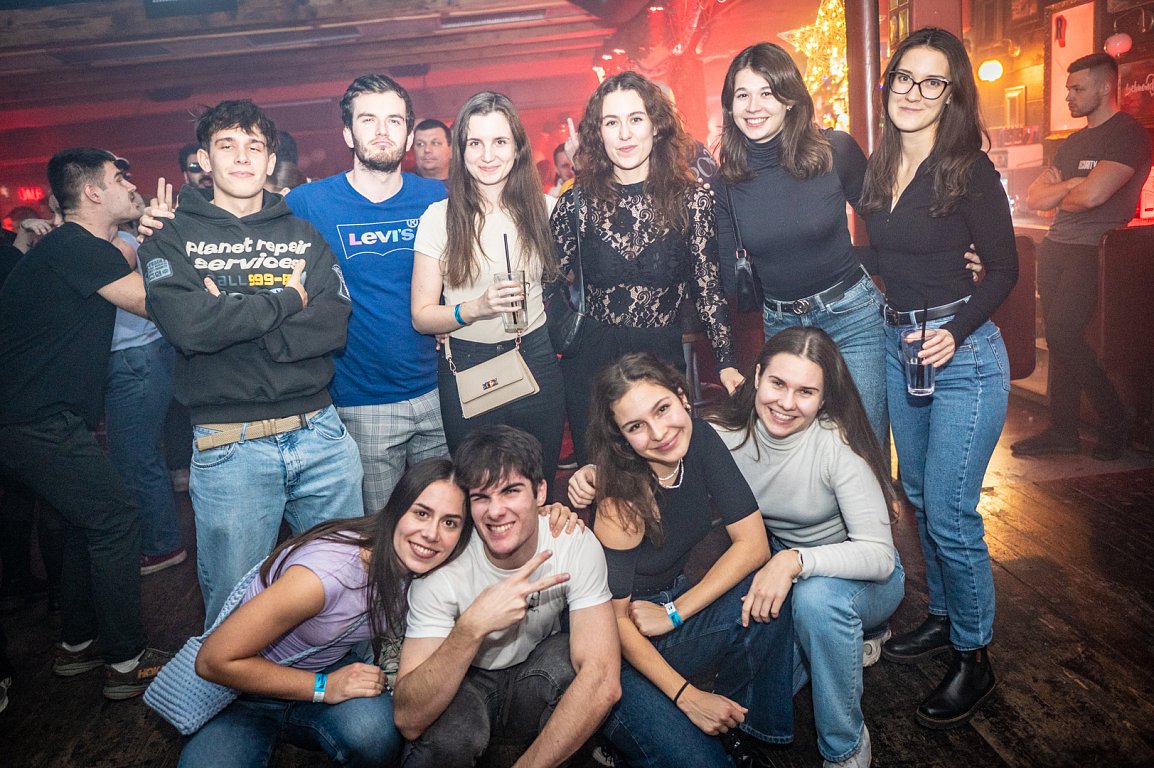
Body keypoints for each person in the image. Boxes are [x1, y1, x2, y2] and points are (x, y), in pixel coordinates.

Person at [140, 99, 363, 625]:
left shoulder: (304, 235)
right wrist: (287, 302)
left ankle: (345, 679)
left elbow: (333, 323)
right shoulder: (169, 236)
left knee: (346, 593)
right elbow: (189, 327)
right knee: (235, 610)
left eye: (254, 147)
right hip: (229, 445)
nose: (242, 158)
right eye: (227, 146)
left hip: (321, 436)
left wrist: (233, 321)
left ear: (270, 161)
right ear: (205, 159)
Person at [857, 27, 1018, 729]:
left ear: (952, 95)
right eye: (904, 77)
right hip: (901, 346)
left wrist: (955, 331)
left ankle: (974, 656)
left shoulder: (967, 169)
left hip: (964, 353)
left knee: (952, 512)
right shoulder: (878, 165)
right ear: (889, 83)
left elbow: (1004, 269)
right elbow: (886, 254)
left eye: (932, 82)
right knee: (919, 494)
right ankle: (946, 618)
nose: (914, 93)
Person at [0, 147, 169, 700]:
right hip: (32, 421)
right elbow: (153, 304)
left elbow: (125, 263)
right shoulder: (75, 245)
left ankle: (79, 644)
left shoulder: (77, 248)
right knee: (117, 519)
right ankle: (126, 662)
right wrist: (173, 246)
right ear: (93, 192)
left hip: (36, 418)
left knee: (84, 520)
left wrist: (147, 235)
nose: (131, 185)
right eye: (120, 178)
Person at [180, 458, 469, 768]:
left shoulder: (421, 570)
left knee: (375, 736)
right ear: (397, 510)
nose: (432, 533)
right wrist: (324, 687)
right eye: (422, 513)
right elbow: (212, 661)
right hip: (243, 692)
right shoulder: (322, 577)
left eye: (450, 523)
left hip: (325, 668)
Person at [579, 352, 792, 767]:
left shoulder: (700, 438)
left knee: (772, 585)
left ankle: (740, 726)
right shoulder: (621, 500)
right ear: (621, 437)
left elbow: (754, 545)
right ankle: (617, 728)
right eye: (636, 426)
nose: (659, 432)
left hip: (665, 614)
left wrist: (674, 612)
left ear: (682, 396)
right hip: (613, 649)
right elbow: (614, 622)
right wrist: (688, 697)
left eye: (662, 409)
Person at [704, 328, 903, 768]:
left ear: (824, 398)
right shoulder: (723, 434)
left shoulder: (837, 442)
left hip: (862, 578)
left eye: (806, 392)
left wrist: (794, 561)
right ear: (757, 376)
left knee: (816, 602)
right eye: (778, 383)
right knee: (748, 696)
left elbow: (879, 556)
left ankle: (846, 749)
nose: (787, 403)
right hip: (784, 567)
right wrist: (595, 476)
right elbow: (655, 460)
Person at [393, 425, 619, 767]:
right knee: (449, 735)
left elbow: (603, 681)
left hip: (534, 676)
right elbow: (408, 719)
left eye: (511, 491)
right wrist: (471, 627)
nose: (495, 511)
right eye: (481, 497)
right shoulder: (444, 566)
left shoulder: (571, 541)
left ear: (540, 492)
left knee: (574, 665)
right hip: (467, 683)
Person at [551, 71, 740, 466]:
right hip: (591, 368)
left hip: (660, 361)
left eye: (635, 119)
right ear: (598, 134)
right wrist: (565, 336)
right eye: (611, 122)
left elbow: (708, 290)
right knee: (605, 485)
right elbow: (545, 281)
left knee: (667, 479)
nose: (624, 134)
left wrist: (725, 362)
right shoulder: (577, 203)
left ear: (656, 126)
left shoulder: (692, 201)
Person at [286, 76, 449, 516]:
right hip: (362, 402)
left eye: (394, 120)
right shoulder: (309, 202)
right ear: (348, 133)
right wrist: (169, 228)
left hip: (439, 392)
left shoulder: (438, 197)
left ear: (409, 135)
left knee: (448, 526)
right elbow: (243, 233)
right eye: (368, 120)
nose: (382, 131)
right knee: (378, 535)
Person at [714, 43, 887, 443]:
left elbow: (887, 227)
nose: (753, 106)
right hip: (783, 325)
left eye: (767, 92)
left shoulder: (835, 150)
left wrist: (945, 255)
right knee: (800, 448)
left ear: (790, 98)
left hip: (853, 317)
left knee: (865, 443)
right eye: (742, 95)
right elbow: (728, 278)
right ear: (730, 106)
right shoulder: (727, 181)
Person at [411, 91, 565, 497]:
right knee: (476, 494)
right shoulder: (439, 218)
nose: (488, 155)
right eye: (475, 143)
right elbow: (422, 316)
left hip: (534, 357)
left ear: (517, 148)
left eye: (499, 141)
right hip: (467, 364)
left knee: (537, 489)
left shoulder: (548, 210)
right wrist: (473, 308)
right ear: (460, 151)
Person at [1011, 53, 1152, 461]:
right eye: (1068, 88)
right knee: (1058, 339)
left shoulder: (1127, 134)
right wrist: (1074, 185)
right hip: (1056, 247)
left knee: (1063, 333)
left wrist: (1068, 191)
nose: (1068, 96)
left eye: (1077, 88)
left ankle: (1115, 416)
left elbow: (1093, 196)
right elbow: (1036, 199)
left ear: (1105, 87)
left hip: (1092, 250)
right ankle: (1063, 430)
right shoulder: (1073, 142)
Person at [105, 159, 186, 576]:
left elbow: (154, 297)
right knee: (139, 454)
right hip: (144, 354)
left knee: (136, 457)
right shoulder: (119, 239)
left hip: (136, 357)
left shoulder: (120, 243)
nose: (129, 185)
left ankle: (162, 544)